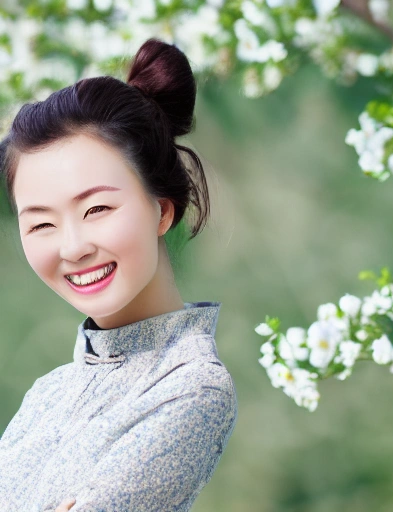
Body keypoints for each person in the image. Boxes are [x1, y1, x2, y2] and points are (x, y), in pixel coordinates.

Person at [0, 37, 237, 511]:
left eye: (98, 208)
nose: (73, 247)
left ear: (162, 211)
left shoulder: (191, 388)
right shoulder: (46, 394)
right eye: (42, 223)